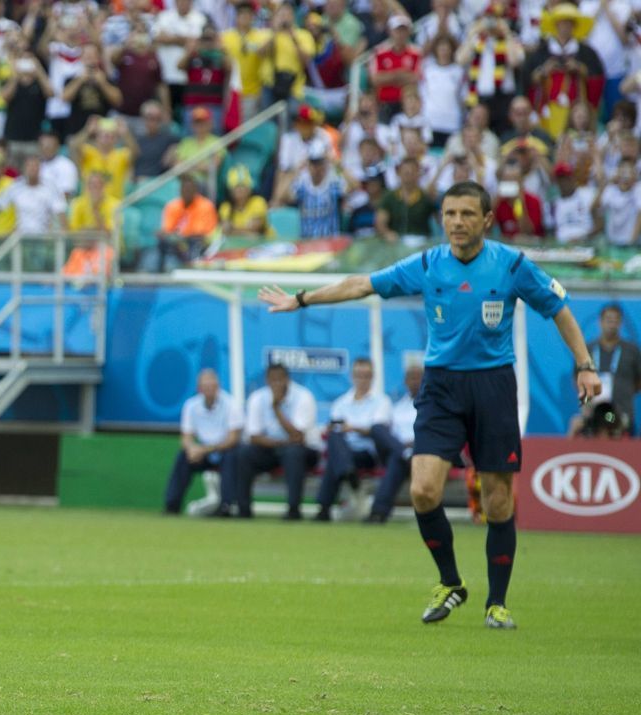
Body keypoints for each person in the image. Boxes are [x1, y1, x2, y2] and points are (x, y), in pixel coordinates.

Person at [260, 181, 603, 629]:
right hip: (441, 386)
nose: (456, 222)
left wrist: (585, 364)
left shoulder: (512, 264)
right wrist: (300, 300)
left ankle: (496, 603)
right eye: (449, 214)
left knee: (498, 500)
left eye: (465, 214)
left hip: (493, 385)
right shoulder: (426, 264)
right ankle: (450, 582)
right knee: (423, 489)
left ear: (485, 219)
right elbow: (361, 283)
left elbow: (559, 307)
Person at [313, 358, 397, 520]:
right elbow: (335, 429)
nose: (362, 380)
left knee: (335, 458)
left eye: (366, 376)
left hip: (369, 453)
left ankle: (324, 508)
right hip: (346, 451)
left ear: (372, 377)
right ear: (352, 376)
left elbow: (379, 432)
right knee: (335, 438)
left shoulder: (382, 402)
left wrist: (352, 428)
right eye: (359, 375)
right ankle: (348, 472)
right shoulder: (341, 403)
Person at [236, 363, 322, 520]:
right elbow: (254, 437)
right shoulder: (257, 398)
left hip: (304, 451)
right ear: (267, 380)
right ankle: (243, 509)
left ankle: (293, 510)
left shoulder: (304, 396)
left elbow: (298, 437)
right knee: (243, 452)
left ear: (287, 380)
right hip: (273, 448)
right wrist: (281, 444)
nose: (276, 384)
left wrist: (277, 409)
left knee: (293, 453)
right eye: (272, 380)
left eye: (279, 380)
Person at [164, 368, 241, 516]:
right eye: (205, 386)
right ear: (199, 388)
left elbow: (233, 439)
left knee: (232, 457)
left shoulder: (231, 404)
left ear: (218, 386)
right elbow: (186, 437)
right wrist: (192, 449)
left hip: (224, 450)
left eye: (213, 385)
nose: (209, 389)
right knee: (184, 457)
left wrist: (204, 450)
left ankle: (226, 507)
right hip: (202, 452)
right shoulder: (191, 405)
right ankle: (172, 505)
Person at [568, 304, 640, 437]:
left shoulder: (632, 351)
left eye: (615, 320)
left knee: (612, 427)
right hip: (593, 413)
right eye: (608, 320)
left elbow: (638, 382)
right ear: (600, 322)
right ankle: (567, 454)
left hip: (620, 413)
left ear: (620, 323)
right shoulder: (587, 350)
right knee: (575, 424)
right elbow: (577, 378)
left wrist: (624, 391)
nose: (612, 324)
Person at [368, 364, 426, 523]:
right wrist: (402, 448)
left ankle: (378, 512)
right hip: (400, 451)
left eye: (419, 377)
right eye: (411, 378)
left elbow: (436, 431)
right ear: (405, 381)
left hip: (423, 452)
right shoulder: (398, 406)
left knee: (396, 459)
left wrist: (413, 444)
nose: (415, 382)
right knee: (377, 428)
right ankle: (403, 453)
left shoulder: (434, 404)